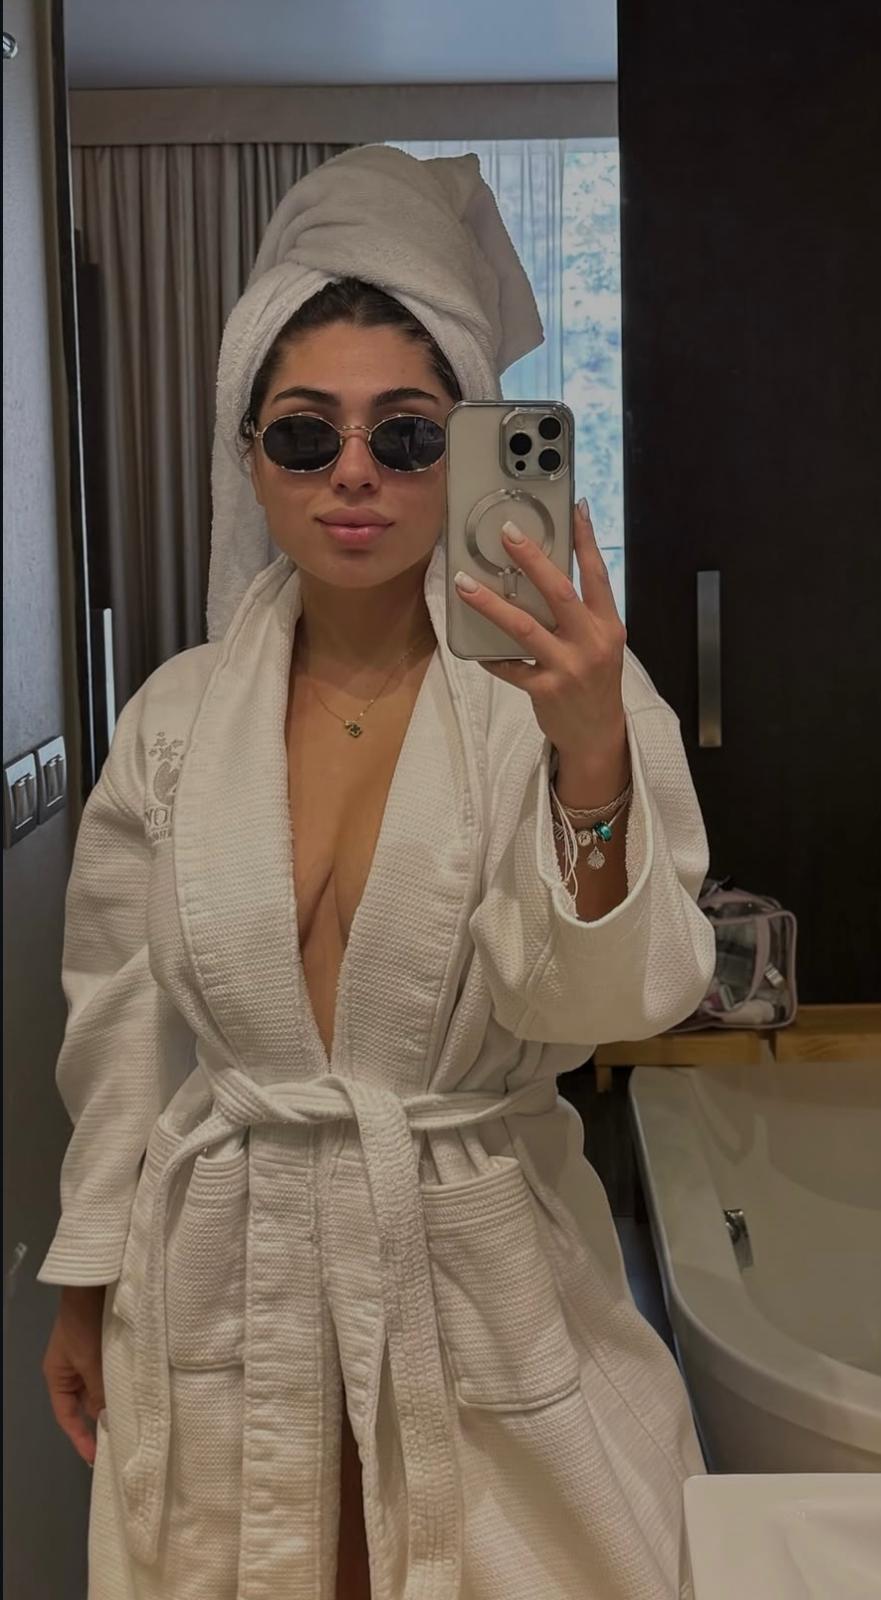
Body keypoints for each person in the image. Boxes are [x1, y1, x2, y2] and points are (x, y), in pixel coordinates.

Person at [40, 145, 716, 1600]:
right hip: (226, 1269)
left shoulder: (563, 695)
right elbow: (121, 1022)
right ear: (249, 459)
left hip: (478, 1260)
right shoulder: (174, 720)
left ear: (465, 453)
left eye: (407, 437)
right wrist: (89, 1273)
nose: (353, 472)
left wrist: (589, 759)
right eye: (305, 435)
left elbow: (620, 1001)